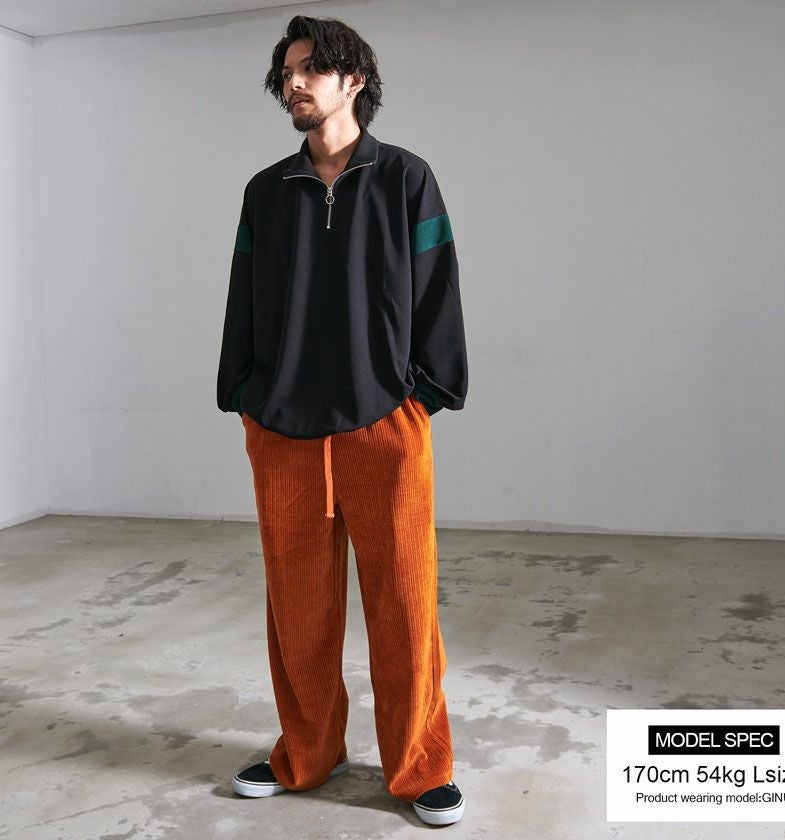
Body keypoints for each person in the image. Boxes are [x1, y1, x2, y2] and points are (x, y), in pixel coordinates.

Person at [215, 14, 468, 828]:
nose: (292, 83)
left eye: (308, 69)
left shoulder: (406, 179)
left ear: (352, 80)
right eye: (285, 73)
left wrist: (424, 393)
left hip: (382, 425)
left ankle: (420, 766)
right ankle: (307, 752)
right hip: (283, 429)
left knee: (404, 605)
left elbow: (437, 288)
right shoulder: (267, 191)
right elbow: (243, 297)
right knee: (298, 610)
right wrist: (244, 391)